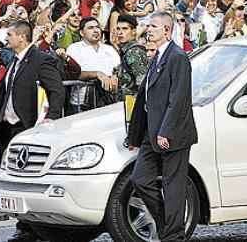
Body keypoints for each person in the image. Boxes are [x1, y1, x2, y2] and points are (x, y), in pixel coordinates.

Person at [0, 20, 64, 242]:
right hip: (7, 128)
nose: (6, 38)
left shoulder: (41, 59)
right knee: (12, 178)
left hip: (27, 128)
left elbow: (56, 90)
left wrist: (52, 118)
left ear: (22, 37)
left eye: (10, 34)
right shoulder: (14, 61)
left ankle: (29, 227)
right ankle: (25, 226)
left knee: (25, 179)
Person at [127, 12, 197, 242]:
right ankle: (168, 226)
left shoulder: (177, 57)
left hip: (172, 133)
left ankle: (173, 236)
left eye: (154, 26)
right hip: (151, 132)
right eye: (148, 26)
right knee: (140, 179)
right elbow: (145, 98)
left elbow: (178, 99)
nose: (149, 30)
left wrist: (166, 132)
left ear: (166, 31)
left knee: (173, 187)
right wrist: (135, 136)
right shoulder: (157, 56)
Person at [66, 17, 120, 113]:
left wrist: (115, 76)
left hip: (108, 101)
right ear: (81, 33)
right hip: (82, 103)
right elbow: (73, 73)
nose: (95, 30)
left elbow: (118, 70)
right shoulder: (74, 48)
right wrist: (97, 74)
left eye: (97, 27)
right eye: (90, 28)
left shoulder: (109, 49)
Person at [114, 14, 148, 100]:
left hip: (134, 103)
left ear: (133, 31)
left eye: (125, 29)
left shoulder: (134, 52)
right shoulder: (126, 51)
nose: (120, 32)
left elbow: (142, 83)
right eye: (118, 29)